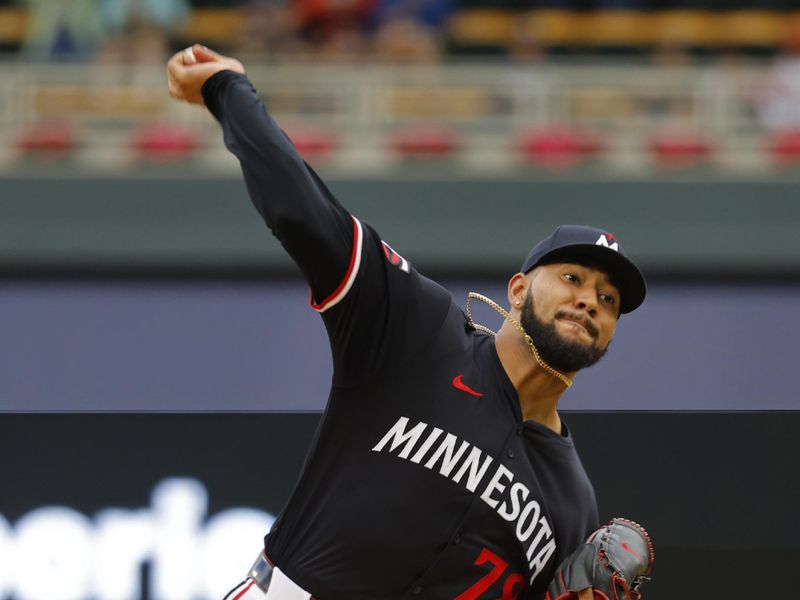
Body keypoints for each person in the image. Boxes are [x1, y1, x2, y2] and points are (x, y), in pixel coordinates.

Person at [167, 45, 647, 600]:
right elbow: (304, 212)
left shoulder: (572, 501)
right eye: (572, 279)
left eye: (609, 299)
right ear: (518, 290)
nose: (590, 300)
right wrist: (229, 90)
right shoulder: (419, 332)